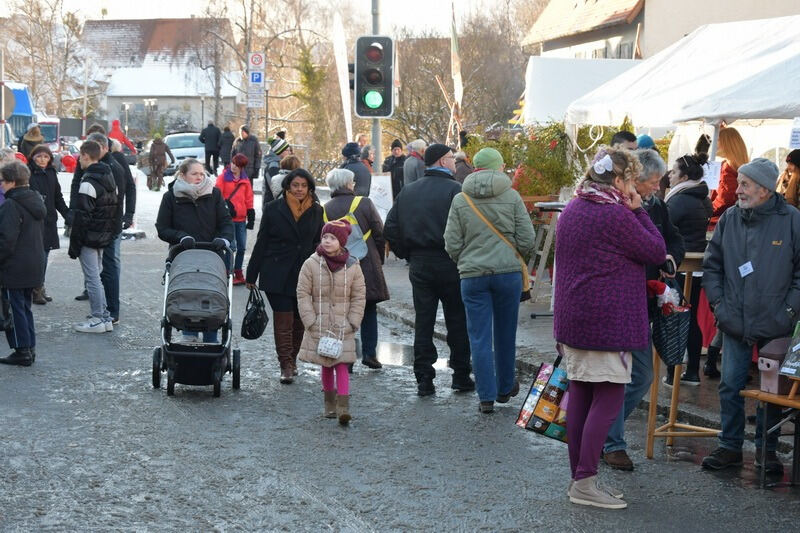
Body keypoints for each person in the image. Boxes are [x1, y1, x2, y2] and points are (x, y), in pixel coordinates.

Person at [555, 147, 666, 509]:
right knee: (609, 398)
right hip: (607, 322)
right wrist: (638, 210)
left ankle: (580, 480)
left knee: (582, 399)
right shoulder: (616, 214)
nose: (632, 188)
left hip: (574, 319)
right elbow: (655, 250)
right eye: (630, 181)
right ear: (618, 180)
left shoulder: (573, 208)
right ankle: (585, 483)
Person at [701, 158, 797, 475]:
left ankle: (767, 452)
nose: (737, 189)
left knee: (771, 392)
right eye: (739, 182)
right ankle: (729, 447)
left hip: (776, 322)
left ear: (765, 189)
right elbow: (712, 267)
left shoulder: (792, 220)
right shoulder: (730, 218)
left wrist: (788, 310)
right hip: (735, 319)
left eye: (744, 184)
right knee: (730, 386)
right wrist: (719, 305)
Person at [602, 148, 684, 471]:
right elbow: (645, 246)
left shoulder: (657, 206)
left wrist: (671, 259)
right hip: (621, 302)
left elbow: (671, 241)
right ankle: (612, 443)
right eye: (653, 181)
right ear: (634, 179)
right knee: (620, 376)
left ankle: (600, 433)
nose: (658, 186)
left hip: (644, 304)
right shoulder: (620, 207)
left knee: (642, 374)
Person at [444, 148, 535, 413]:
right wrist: (511, 255)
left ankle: (485, 396)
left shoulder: (461, 199)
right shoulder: (512, 196)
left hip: (473, 277)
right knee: (506, 334)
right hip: (508, 275)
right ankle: (505, 389)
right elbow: (527, 239)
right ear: (499, 167)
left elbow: (451, 242)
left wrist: (465, 261)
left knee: (479, 337)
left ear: (475, 168)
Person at [385, 143, 474, 396]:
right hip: (450, 262)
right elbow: (468, 228)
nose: (454, 163)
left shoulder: (409, 191)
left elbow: (390, 228)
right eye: (451, 159)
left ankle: (424, 376)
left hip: (420, 262)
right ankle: (460, 374)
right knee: (457, 320)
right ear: (443, 161)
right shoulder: (457, 191)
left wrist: (407, 253)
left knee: (424, 320)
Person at [246, 169, 324, 384]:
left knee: (299, 320)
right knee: (284, 319)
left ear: (309, 188)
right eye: (295, 185)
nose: (299, 189)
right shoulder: (273, 209)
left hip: (305, 273)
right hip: (276, 271)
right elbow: (261, 242)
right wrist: (251, 274)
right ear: (288, 187)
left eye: (303, 186)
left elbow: (320, 240)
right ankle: (286, 365)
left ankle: (293, 359)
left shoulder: (317, 211)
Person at [296, 220, 366, 424]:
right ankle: (329, 405)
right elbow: (303, 293)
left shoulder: (353, 265)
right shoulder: (311, 263)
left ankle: (343, 407)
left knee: (342, 365)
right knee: (326, 365)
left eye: (332, 238)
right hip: (319, 324)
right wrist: (310, 320)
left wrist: (353, 321)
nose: (327, 241)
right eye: (325, 237)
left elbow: (359, 296)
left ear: (342, 242)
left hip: (344, 325)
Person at [156, 158, 233, 343]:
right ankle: (188, 336)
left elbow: (226, 223)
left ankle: (211, 339)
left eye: (202, 173)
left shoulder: (214, 195)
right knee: (187, 294)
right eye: (194, 174)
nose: (199, 177)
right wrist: (180, 237)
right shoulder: (171, 197)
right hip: (183, 256)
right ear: (183, 175)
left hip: (212, 256)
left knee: (212, 297)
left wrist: (224, 239)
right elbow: (162, 228)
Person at [324, 168, 389, 370]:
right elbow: (379, 232)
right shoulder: (364, 203)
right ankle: (370, 354)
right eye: (352, 181)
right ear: (347, 183)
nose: (353, 184)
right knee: (368, 309)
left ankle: (346, 357)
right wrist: (378, 258)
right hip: (365, 263)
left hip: (339, 265)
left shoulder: (325, 209)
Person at [71, 132, 133, 325]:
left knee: (99, 273)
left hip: (98, 231)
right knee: (99, 273)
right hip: (104, 227)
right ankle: (105, 313)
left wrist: (76, 240)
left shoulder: (108, 169)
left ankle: (104, 314)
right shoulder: (104, 171)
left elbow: (86, 213)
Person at [663, 153, 713, 387]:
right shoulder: (701, 197)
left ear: (683, 175)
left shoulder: (680, 199)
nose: (669, 176)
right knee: (690, 318)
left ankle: (673, 374)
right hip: (695, 265)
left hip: (680, 266)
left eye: (673, 171)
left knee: (676, 318)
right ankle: (692, 370)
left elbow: (663, 229)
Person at [69, 141, 119, 333]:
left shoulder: (88, 182)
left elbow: (82, 217)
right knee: (96, 276)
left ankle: (98, 317)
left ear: (85, 155)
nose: (78, 161)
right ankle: (104, 316)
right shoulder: (109, 177)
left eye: (80, 157)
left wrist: (75, 243)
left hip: (90, 237)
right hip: (103, 235)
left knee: (92, 278)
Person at [0, 161, 46, 366]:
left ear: (11, 182)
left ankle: (22, 350)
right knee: (24, 307)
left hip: (15, 265)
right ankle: (30, 346)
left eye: (2, 181)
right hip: (33, 262)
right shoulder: (34, 199)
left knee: (14, 307)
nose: (1, 185)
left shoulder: (11, 204)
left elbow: (6, 240)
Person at [27, 145, 69, 305]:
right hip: (34, 220)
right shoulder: (28, 173)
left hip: (49, 220)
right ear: (33, 157)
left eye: (45, 157)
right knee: (38, 257)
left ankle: (39, 287)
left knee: (44, 255)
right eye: (39, 157)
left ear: (50, 158)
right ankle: (35, 288)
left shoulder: (51, 173)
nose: (42, 160)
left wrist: (67, 214)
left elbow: (57, 197)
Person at [215, 153, 255, 285]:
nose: (234, 167)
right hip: (228, 218)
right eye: (233, 163)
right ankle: (227, 271)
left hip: (241, 219)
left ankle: (238, 271)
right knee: (231, 247)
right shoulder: (223, 178)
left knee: (242, 247)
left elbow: (249, 198)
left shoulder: (245, 180)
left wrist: (251, 214)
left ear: (242, 167)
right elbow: (216, 196)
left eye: (237, 165)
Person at [711, 127, 749, 218]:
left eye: (718, 140)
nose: (714, 143)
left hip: (722, 218)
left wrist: (706, 211)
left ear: (727, 144)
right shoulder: (740, 167)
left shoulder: (727, 169)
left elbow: (724, 201)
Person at [109, 139, 137, 232]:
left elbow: (130, 186)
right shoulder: (119, 158)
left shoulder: (116, 159)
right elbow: (130, 187)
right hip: (117, 217)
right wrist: (129, 215)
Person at [261, 137, 291, 206]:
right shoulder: (273, 166)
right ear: (279, 151)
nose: (289, 153)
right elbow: (275, 188)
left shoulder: (280, 163)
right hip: (272, 205)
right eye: (287, 150)